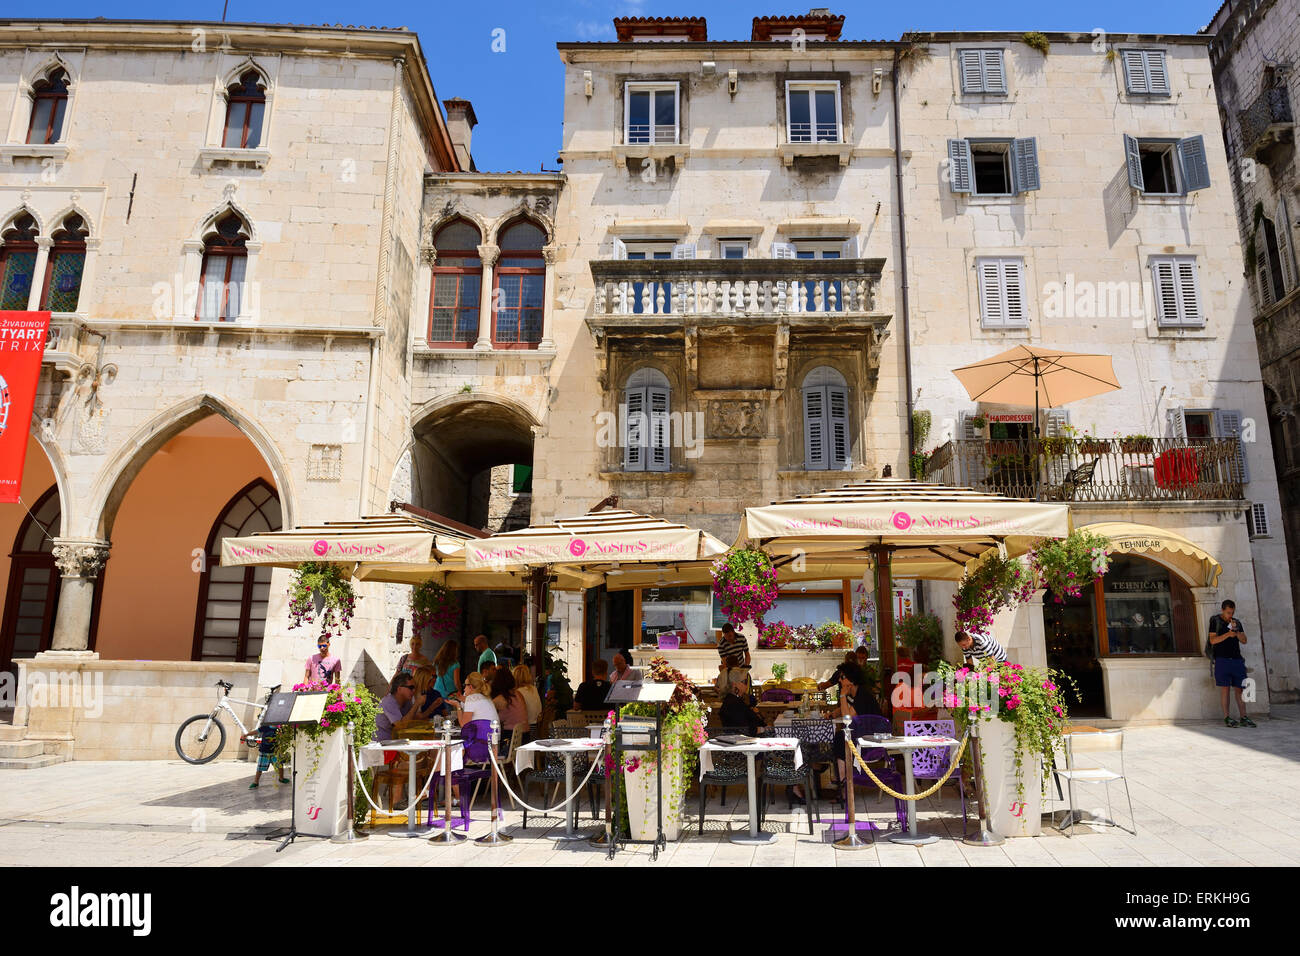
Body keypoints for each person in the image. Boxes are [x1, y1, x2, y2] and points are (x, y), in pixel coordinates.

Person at [830, 661, 883, 785]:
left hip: (872, 741)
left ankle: (843, 783)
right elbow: (846, 709)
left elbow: (847, 718)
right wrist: (832, 714)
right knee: (840, 738)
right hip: (863, 735)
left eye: (842, 677)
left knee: (840, 738)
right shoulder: (856, 694)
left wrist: (842, 695)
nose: (840, 680)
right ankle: (842, 781)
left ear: (851, 680)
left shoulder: (863, 695)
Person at [1209, 599, 1255, 728]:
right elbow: (1212, 640)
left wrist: (1237, 633)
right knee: (1225, 689)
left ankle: (1243, 717)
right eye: (1228, 612)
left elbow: (1244, 640)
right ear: (1223, 610)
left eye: (1232, 612)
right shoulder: (1215, 621)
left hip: (1236, 659)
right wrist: (1227, 635)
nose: (1230, 615)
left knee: (1240, 689)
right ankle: (1227, 717)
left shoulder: (1237, 622)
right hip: (1222, 659)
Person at [375, 673, 415, 743]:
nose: (414, 690)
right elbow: (401, 726)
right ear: (399, 689)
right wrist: (416, 705)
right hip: (382, 745)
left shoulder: (407, 701)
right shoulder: (389, 702)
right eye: (411, 688)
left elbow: (414, 719)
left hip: (396, 741)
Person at [719, 672, 762, 736]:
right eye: (744, 682)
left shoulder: (736, 699)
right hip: (744, 741)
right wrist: (763, 729)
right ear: (734, 684)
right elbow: (743, 729)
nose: (746, 685)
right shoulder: (733, 703)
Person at [247, 723, 287, 789]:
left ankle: (281, 778)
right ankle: (255, 782)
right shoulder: (265, 727)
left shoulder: (279, 729)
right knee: (260, 768)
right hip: (264, 751)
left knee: (280, 765)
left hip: (275, 752)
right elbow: (256, 731)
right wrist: (247, 734)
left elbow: (283, 737)